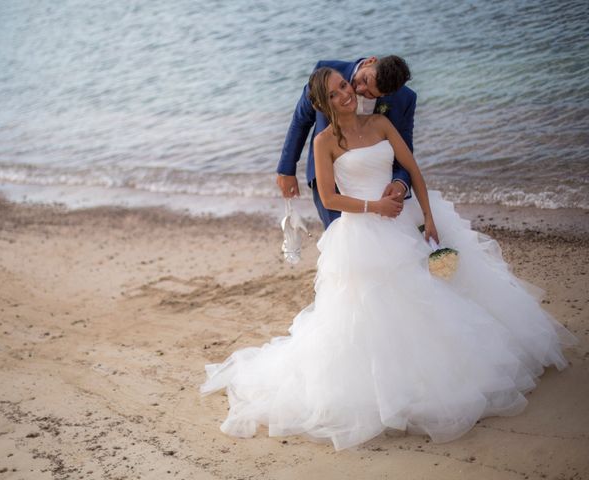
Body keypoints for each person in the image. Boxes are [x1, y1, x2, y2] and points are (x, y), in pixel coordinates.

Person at [200, 66, 577, 451]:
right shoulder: (325, 141)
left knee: (435, 294)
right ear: (322, 103)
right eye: (334, 94)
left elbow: (412, 168)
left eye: (345, 86)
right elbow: (329, 199)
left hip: (403, 218)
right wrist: (375, 206)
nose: (345, 94)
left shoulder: (380, 122)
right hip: (363, 232)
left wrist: (428, 216)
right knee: (372, 310)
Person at [276, 56, 416, 228]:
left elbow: (405, 151)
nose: (359, 89)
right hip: (328, 181)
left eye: (370, 94)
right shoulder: (326, 71)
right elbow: (301, 120)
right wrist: (286, 171)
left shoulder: (405, 98)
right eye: (363, 79)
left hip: (377, 186)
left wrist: (400, 183)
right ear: (369, 62)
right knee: (338, 241)